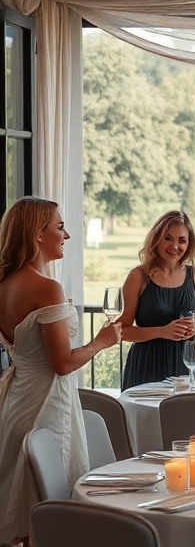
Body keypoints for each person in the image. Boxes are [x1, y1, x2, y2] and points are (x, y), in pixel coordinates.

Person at [0, 197, 121, 544]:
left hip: (15, 402)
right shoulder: (46, 288)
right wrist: (101, 342)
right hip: (46, 404)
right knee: (50, 505)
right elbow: (62, 363)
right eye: (60, 227)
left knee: (22, 501)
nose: (66, 235)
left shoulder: (5, 284)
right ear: (38, 235)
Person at [117, 211, 195, 390]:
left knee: (186, 417)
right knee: (144, 417)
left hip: (187, 366)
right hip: (146, 366)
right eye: (168, 238)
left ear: (189, 243)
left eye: (182, 240)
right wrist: (162, 331)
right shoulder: (138, 276)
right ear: (157, 239)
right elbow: (121, 331)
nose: (175, 246)